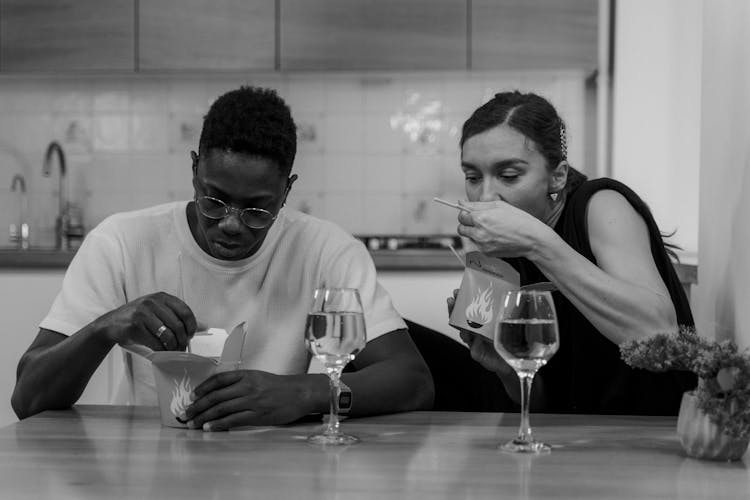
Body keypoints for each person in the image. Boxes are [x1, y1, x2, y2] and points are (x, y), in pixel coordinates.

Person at [11, 85, 434, 429]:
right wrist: (105, 327)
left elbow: (412, 381)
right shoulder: (122, 241)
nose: (231, 223)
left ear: (287, 190)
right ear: (194, 171)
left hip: (280, 466)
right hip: (150, 463)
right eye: (214, 200)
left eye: (257, 210)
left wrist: (301, 393)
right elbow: (27, 398)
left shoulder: (328, 250)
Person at [447, 91, 695, 415]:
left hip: (658, 428)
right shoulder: (502, 254)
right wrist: (507, 368)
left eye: (509, 175)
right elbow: (545, 405)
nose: (485, 195)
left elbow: (657, 328)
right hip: (577, 441)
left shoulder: (602, 205)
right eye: (472, 177)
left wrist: (537, 242)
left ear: (558, 175)